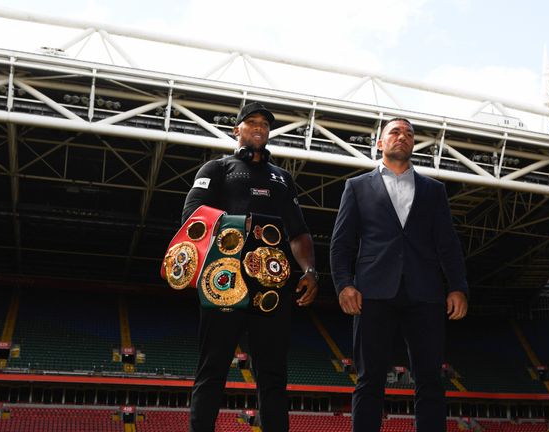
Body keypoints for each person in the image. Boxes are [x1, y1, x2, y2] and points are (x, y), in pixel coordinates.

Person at [181, 102, 319, 432]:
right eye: (251, 122)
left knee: (273, 374)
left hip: (273, 287)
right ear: (236, 130)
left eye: (265, 124)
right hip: (224, 281)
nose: (259, 127)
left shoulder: (283, 178)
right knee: (212, 369)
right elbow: (192, 216)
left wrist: (310, 271)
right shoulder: (216, 168)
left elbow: (298, 232)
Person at [329, 118, 468, 432]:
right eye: (394, 131)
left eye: (408, 134)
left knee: (430, 380)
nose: (402, 136)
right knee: (369, 380)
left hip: (426, 294)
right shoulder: (357, 186)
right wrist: (344, 284)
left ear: (413, 144)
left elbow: (448, 244)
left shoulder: (434, 190)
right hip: (373, 293)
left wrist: (458, 286)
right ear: (380, 143)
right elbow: (342, 243)